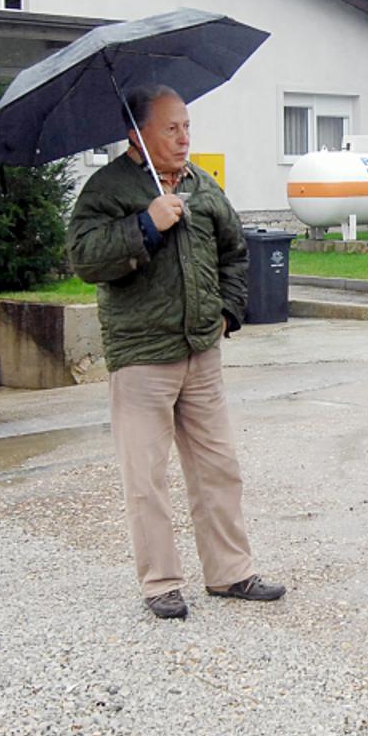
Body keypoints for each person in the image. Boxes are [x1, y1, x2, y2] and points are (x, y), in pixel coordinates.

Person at [67, 84, 284, 618]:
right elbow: (85, 258)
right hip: (142, 355)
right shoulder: (107, 188)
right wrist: (145, 224)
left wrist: (229, 313)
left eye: (187, 126)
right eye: (171, 128)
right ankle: (161, 582)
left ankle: (230, 572)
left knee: (219, 467)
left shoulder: (202, 186)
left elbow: (234, 252)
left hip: (201, 350)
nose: (185, 138)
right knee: (146, 476)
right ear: (136, 133)